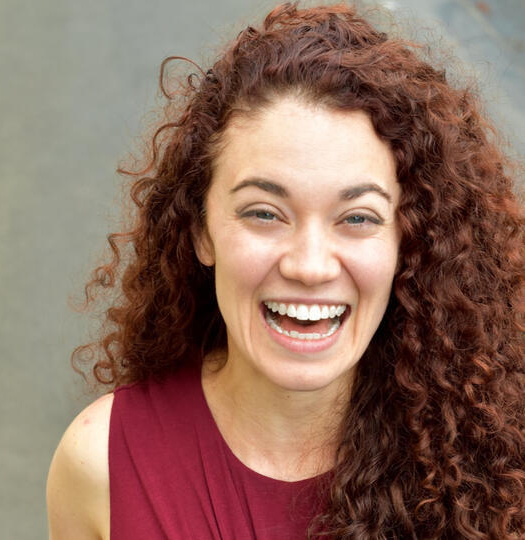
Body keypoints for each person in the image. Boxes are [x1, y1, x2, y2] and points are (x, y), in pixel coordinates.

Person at [46, 2, 524, 538]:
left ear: (407, 244)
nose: (309, 266)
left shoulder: (498, 472)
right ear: (201, 230)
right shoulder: (101, 464)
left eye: (357, 218)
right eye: (264, 214)